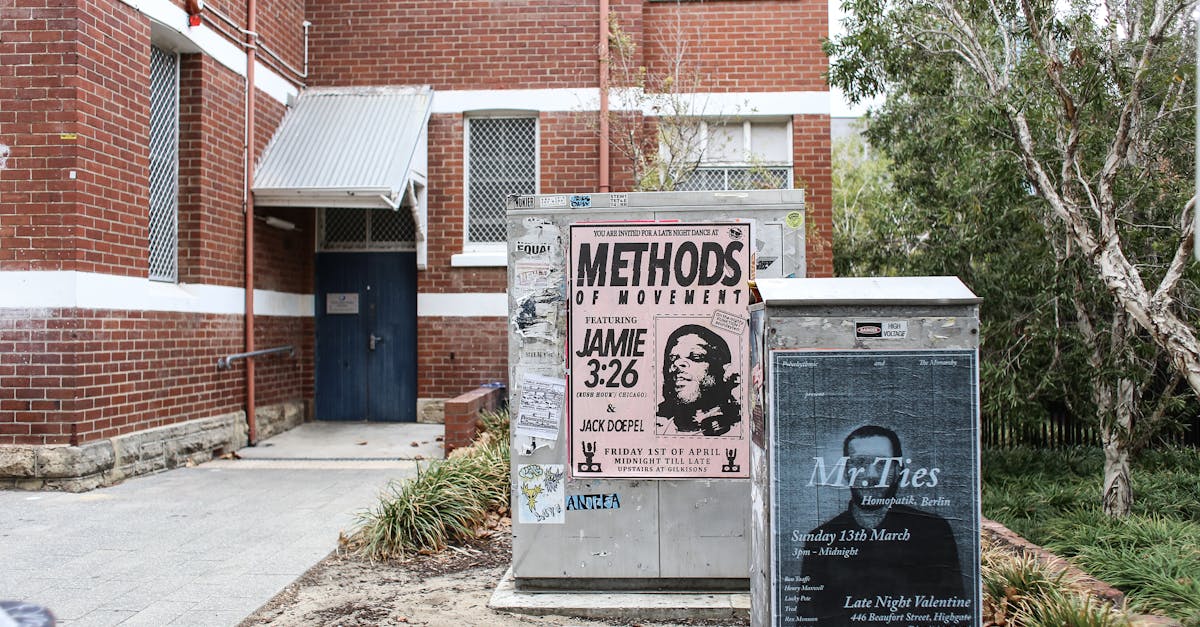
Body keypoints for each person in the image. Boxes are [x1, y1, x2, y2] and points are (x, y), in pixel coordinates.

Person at [798, 425, 967, 625]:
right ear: (846, 471)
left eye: (882, 464)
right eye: (860, 462)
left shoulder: (934, 533)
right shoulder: (820, 541)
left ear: (898, 471)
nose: (871, 474)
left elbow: (954, 617)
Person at [656, 324, 741, 436]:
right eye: (672, 359)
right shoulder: (658, 427)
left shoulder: (741, 428)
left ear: (725, 371)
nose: (677, 364)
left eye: (696, 357)